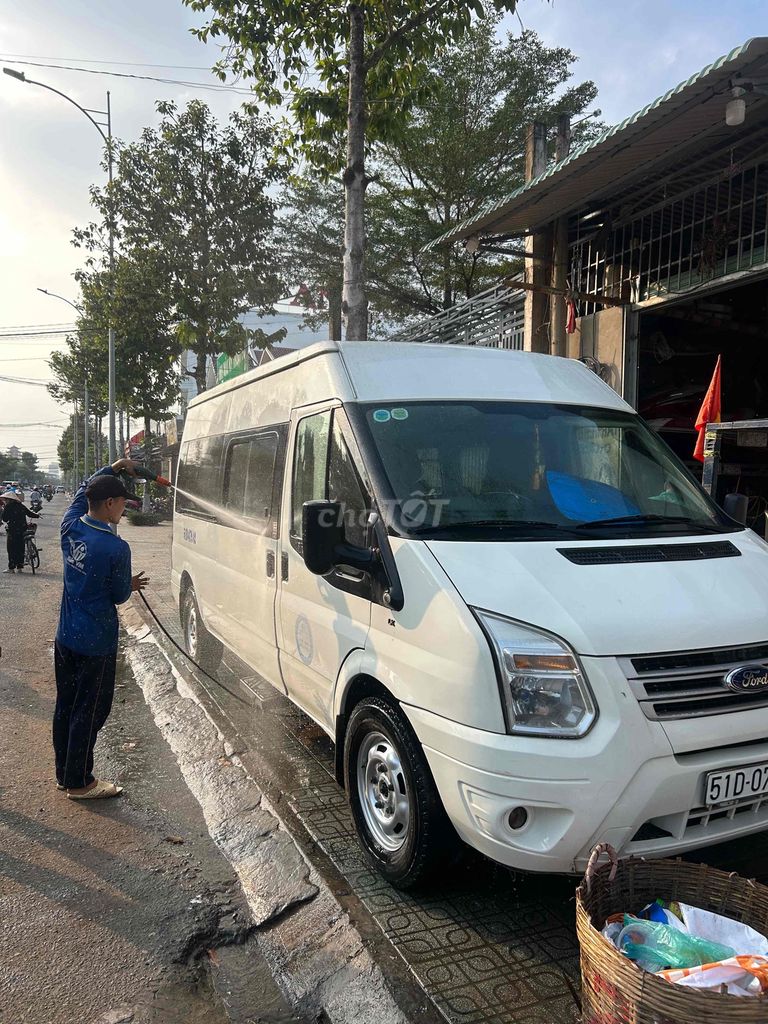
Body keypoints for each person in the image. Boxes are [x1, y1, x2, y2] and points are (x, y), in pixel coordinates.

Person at [53, 458, 149, 800]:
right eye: (123, 503)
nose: (125, 509)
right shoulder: (115, 547)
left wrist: (113, 466)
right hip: (96, 641)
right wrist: (131, 584)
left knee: (66, 705)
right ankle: (80, 782)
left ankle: (65, 773)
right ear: (110, 503)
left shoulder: (70, 526)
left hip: (66, 635)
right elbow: (120, 594)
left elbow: (82, 492)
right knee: (91, 710)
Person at [1, 490, 40, 573]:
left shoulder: (8, 507)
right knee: (20, 547)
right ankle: (19, 567)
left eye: (5, 499)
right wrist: (37, 516)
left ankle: (11, 568)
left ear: (8, 499)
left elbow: (4, 519)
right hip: (23, 529)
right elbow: (30, 513)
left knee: (11, 549)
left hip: (12, 530)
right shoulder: (21, 505)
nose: (4, 501)